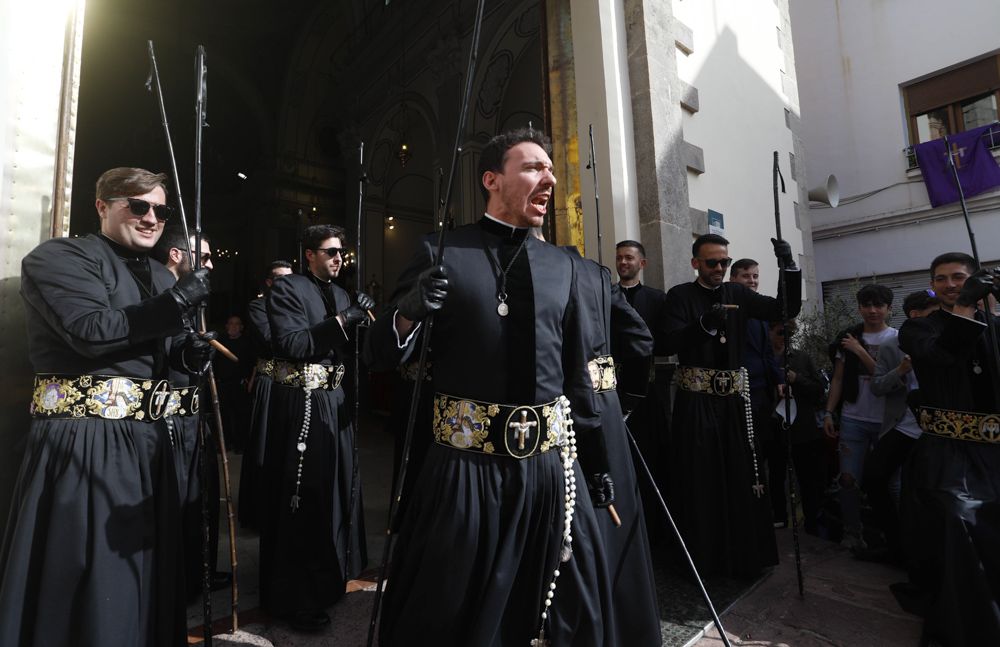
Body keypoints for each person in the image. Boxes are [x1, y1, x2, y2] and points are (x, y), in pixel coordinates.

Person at [365, 128, 614, 646]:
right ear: (492, 180)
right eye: (533, 168)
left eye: (550, 168)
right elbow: (378, 355)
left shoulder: (566, 266)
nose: (548, 177)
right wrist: (407, 314)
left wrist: (596, 463)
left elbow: (579, 376)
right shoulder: (440, 251)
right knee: (451, 606)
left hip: (549, 474)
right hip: (463, 473)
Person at [0, 167, 212, 646]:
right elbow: (91, 331)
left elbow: (161, 354)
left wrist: (185, 354)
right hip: (85, 441)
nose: (151, 217)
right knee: (94, 579)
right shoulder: (59, 257)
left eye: (160, 209)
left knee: (146, 574)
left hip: (148, 445)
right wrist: (175, 300)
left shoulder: (160, 272)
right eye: (138, 206)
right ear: (102, 206)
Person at [661, 232, 800, 579]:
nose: (719, 268)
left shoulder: (738, 293)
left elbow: (783, 310)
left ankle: (743, 556)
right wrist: (705, 325)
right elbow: (664, 343)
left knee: (742, 477)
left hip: (736, 405)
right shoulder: (680, 296)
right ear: (696, 263)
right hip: (696, 404)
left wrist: (789, 267)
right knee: (701, 477)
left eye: (724, 262)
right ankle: (702, 558)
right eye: (712, 263)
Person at [260, 225, 372, 631]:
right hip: (303, 407)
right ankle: (295, 597)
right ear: (308, 255)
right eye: (329, 252)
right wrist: (344, 321)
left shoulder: (343, 294)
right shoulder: (288, 291)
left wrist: (367, 319)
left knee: (337, 491)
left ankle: (330, 577)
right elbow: (292, 344)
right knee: (302, 497)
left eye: (342, 252)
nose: (338, 258)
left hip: (336, 404)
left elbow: (358, 351)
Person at [897, 252, 1000, 645]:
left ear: (975, 279)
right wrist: (963, 309)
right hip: (948, 453)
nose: (949, 284)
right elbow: (941, 356)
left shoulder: (995, 326)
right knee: (961, 521)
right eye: (940, 279)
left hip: (993, 453)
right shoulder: (917, 329)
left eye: (958, 277)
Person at [565, 244, 662, 646]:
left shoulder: (554, 274)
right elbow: (640, 339)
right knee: (616, 502)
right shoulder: (600, 278)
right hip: (607, 405)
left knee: (579, 507)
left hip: (570, 404)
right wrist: (627, 400)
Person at [150, 224, 229, 599]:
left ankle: (197, 573)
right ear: (177, 255)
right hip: (165, 418)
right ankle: (175, 580)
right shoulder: (157, 291)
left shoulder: (193, 294)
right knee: (176, 503)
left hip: (193, 416)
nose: (210, 265)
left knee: (201, 499)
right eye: (205, 256)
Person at [855, 289, 938, 563]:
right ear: (915, 316)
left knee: (925, 491)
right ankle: (896, 544)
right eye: (932, 313)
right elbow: (878, 386)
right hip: (904, 425)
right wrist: (900, 370)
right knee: (874, 477)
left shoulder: (947, 341)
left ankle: (928, 550)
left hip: (939, 431)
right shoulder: (895, 345)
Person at [821, 284, 896, 549]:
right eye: (867, 305)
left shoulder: (896, 338)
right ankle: (852, 532)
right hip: (854, 418)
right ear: (859, 307)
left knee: (890, 482)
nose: (872, 310)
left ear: (889, 308)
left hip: (888, 422)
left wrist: (860, 351)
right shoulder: (848, 338)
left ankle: (892, 534)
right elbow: (838, 379)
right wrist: (829, 412)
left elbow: (889, 379)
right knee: (847, 479)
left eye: (878, 305)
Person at [615, 239, 671, 541]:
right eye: (619, 258)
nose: (623, 263)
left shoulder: (656, 299)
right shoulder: (605, 293)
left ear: (642, 263)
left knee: (651, 456)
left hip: (648, 393)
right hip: (615, 390)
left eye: (629, 258)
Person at [730, 258, 786, 526]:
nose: (751, 281)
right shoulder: (731, 311)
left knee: (763, 453)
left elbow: (766, 352)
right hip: (742, 391)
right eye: (745, 276)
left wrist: (779, 379)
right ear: (733, 280)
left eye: (755, 276)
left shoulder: (762, 312)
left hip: (763, 392)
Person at [239, 260, 293, 531]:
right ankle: (259, 512)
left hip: (290, 386)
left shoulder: (297, 306)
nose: (290, 285)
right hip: (268, 383)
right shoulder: (258, 307)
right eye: (283, 279)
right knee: (263, 444)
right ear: (270, 283)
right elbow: (276, 342)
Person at [768, 319, 827, 535]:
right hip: (775, 427)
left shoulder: (800, 357)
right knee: (775, 474)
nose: (784, 338)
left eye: (788, 334)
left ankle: (812, 519)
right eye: (779, 332)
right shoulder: (763, 359)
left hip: (802, 427)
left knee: (808, 476)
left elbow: (819, 388)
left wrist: (797, 379)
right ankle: (779, 516)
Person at [214, 314, 254, 453]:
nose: (234, 326)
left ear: (241, 327)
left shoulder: (247, 343)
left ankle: (240, 445)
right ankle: (225, 444)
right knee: (222, 415)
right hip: (222, 385)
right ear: (226, 326)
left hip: (240, 384)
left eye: (237, 324)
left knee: (240, 417)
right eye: (231, 323)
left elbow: (254, 364)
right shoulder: (220, 342)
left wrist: (251, 382)